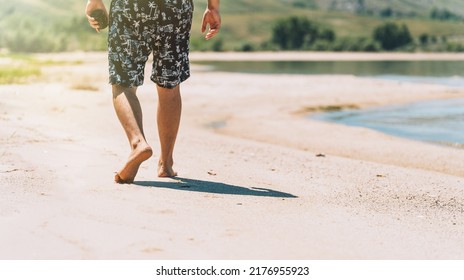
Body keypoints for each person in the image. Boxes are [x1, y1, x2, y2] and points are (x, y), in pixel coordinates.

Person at [85, 0, 221, 183]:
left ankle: (138, 144)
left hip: (131, 7)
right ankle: (165, 164)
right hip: (176, 8)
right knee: (169, 85)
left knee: (123, 82)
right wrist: (213, 7)